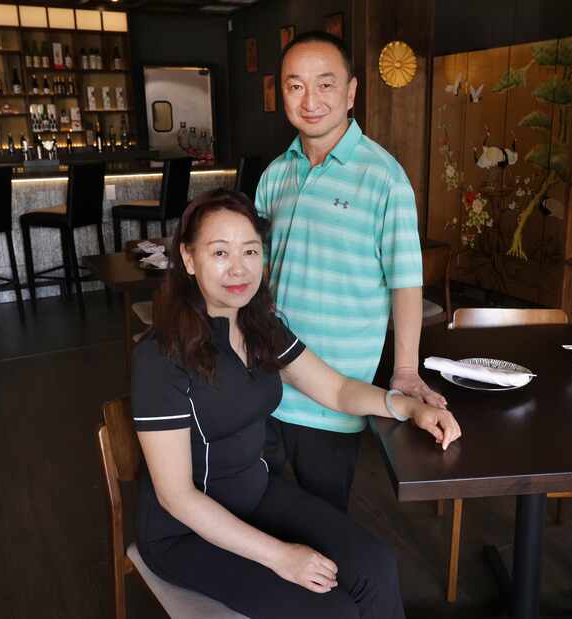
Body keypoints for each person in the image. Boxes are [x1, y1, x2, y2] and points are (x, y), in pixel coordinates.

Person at [132, 189, 461, 619]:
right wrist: (281, 556)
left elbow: (337, 389)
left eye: (250, 250)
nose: (239, 267)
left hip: (257, 493)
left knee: (375, 563)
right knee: (332, 610)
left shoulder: (260, 326)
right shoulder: (160, 357)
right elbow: (176, 497)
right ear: (189, 259)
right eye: (219, 252)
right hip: (184, 533)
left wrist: (408, 406)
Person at [255, 31, 445, 512]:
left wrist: (404, 371)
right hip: (263, 388)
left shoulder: (382, 176)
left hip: (333, 400)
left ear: (352, 92)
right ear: (283, 94)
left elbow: (406, 283)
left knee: (321, 527)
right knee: (260, 516)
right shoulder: (274, 174)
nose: (311, 100)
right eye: (295, 86)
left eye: (325, 84)